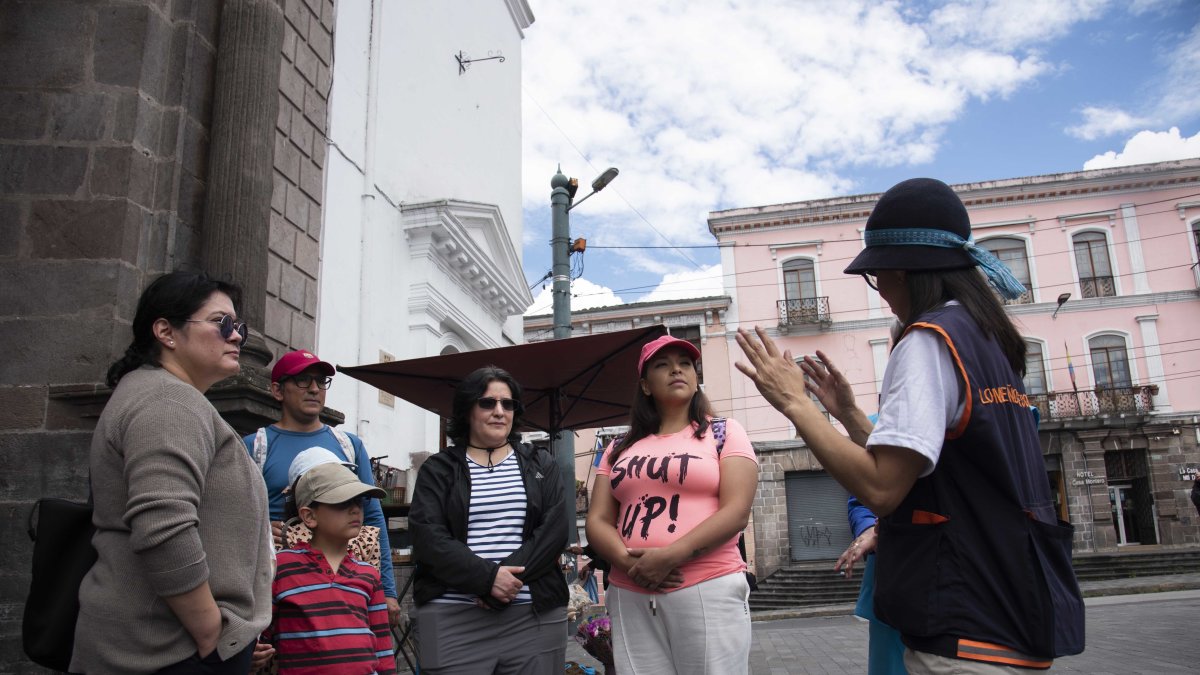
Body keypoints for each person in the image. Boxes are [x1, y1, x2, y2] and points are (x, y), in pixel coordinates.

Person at [736, 177, 1085, 673]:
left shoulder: (927, 340)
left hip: (964, 620)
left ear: (903, 270)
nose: (882, 294)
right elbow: (932, 464)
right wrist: (851, 416)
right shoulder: (987, 340)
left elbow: (882, 488)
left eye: (878, 278)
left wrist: (797, 404)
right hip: (1011, 609)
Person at [71, 271, 274, 674]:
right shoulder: (169, 402)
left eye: (240, 327)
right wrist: (210, 632)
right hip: (165, 649)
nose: (237, 336)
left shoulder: (166, 397)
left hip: (165, 645)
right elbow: (164, 525)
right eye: (222, 323)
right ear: (166, 331)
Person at [586, 335, 759, 675]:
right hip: (629, 590)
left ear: (696, 378)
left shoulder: (724, 432)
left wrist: (669, 556)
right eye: (662, 365)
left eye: (685, 364)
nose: (676, 370)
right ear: (645, 385)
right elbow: (598, 520)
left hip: (706, 584)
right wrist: (627, 561)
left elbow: (736, 511)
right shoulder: (618, 447)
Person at [408, 366, 568, 674]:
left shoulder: (540, 463)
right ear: (467, 409)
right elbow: (428, 537)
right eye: (487, 403)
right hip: (452, 617)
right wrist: (487, 579)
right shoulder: (438, 469)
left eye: (508, 404)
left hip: (532, 616)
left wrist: (503, 583)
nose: (499, 411)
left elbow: (555, 531)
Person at [243, 350, 400, 627]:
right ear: (278, 390)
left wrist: (387, 590)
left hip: (346, 582)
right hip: (279, 585)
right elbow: (234, 517)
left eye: (321, 381)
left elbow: (374, 519)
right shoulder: (255, 447)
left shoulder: (349, 445)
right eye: (303, 380)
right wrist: (264, 528)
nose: (314, 388)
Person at [264, 457, 396, 674]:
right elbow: (262, 635)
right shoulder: (283, 567)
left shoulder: (369, 574)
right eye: (343, 502)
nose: (355, 510)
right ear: (309, 515)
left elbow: (382, 648)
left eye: (359, 501)